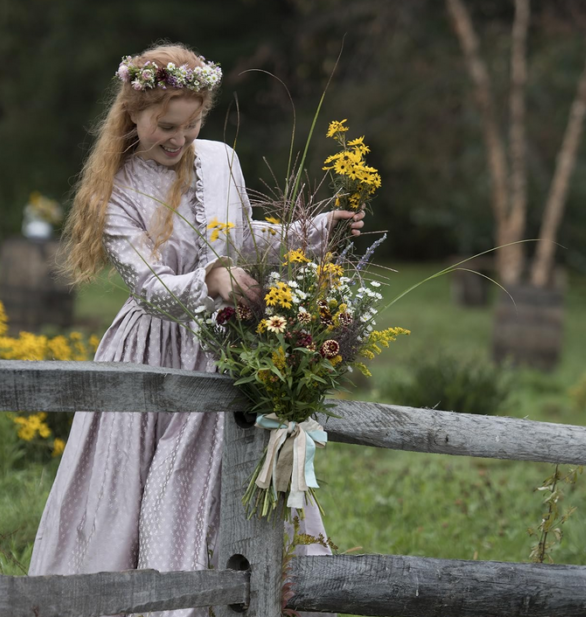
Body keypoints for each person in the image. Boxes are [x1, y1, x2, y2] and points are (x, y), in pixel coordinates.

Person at [28, 43, 364, 614]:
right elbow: (151, 287)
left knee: (229, 474)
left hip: (225, 344)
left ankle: (249, 594)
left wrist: (312, 230)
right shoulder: (119, 189)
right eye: (166, 125)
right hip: (155, 348)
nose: (179, 139)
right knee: (145, 487)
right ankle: (147, 596)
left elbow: (240, 239)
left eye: (192, 123)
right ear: (132, 114)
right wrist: (209, 279)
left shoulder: (219, 158)